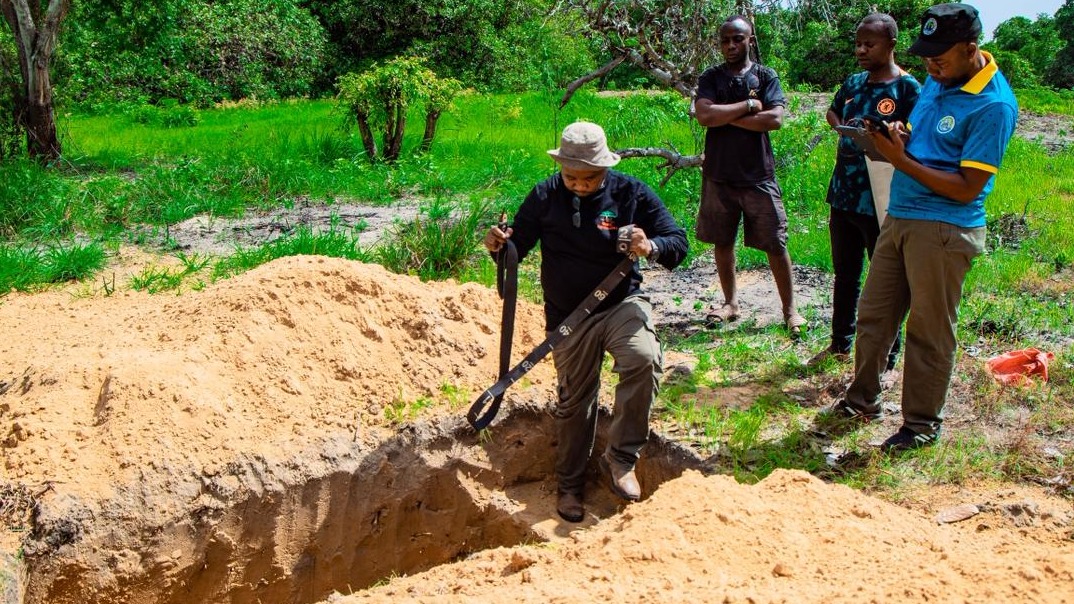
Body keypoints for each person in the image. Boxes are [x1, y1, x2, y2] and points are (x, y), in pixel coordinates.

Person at [828, 3, 1018, 452]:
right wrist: (900, 137)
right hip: (901, 215)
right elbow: (929, 138)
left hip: (944, 228)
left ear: (972, 49)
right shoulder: (937, 79)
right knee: (874, 315)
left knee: (929, 331)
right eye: (927, 55)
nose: (931, 65)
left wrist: (900, 160)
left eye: (941, 56)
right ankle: (862, 400)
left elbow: (968, 186)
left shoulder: (993, 105)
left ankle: (920, 425)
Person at [482, 121, 688, 522]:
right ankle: (571, 484)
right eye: (571, 176)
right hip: (567, 317)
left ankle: (622, 459)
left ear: (606, 168)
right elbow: (516, 248)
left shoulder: (632, 193)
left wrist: (651, 246)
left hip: (620, 303)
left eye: (589, 177)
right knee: (575, 401)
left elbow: (678, 243)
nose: (579, 184)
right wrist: (499, 245)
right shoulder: (544, 195)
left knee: (642, 359)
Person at [812, 13, 921, 370]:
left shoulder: (907, 88)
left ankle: (888, 355)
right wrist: (844, 128)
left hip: (881, 199)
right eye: (857, 43)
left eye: (869, 44)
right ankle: (840, 342)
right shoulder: (854, 82)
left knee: (886, 280)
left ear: (891, 44)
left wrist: (891, 135)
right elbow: (832, 111)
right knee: (845, 274)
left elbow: (916, 137)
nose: (860, 50)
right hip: (844, 194)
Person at [693, 15, 805, 335]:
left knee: (775, 242)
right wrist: (748, 106)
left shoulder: (766, 76)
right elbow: (704, 114)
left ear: (750, 40)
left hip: (758, 175)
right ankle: (730, 303)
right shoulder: (711, 77)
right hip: (719, 175)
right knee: (722, 240)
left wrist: (724, 117)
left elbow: (774, 120)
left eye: (737, 39)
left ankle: (790, 310)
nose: (730, 45)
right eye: (725, 39)